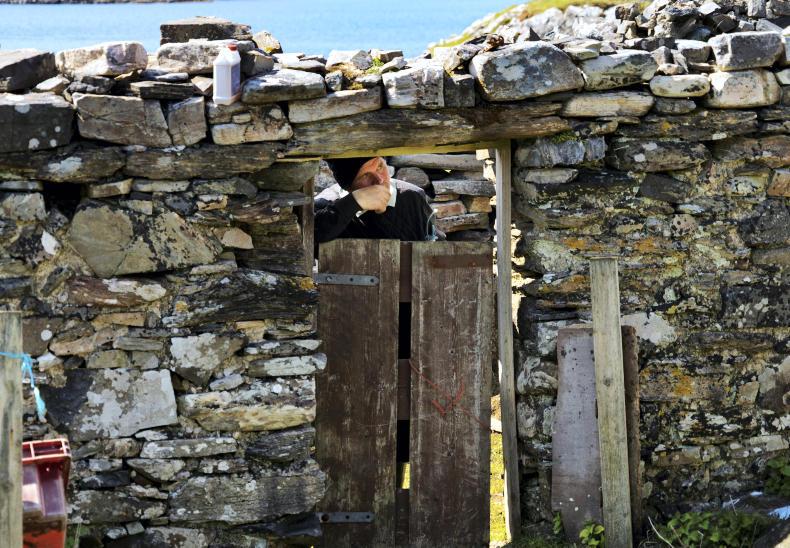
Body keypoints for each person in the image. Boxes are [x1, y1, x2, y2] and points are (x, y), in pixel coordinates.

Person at [314, 157, 443, 244]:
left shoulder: (412, 196)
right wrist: (355, 201)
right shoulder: (326, 203)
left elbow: (432, 242)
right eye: (365, 175)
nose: (379, 180)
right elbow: (310, 236)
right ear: (348, 187)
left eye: (380, 166)